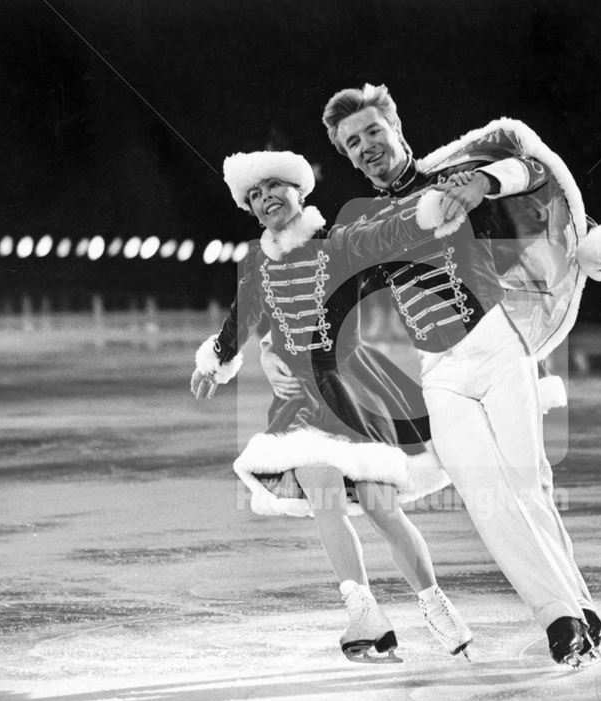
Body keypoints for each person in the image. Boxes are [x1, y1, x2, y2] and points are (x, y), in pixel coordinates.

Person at [280, 83, 601, 665]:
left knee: (524, 486)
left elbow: (531, 169)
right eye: (351, 142)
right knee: (489, 497)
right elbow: (366, 245)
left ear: (395, 128)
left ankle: (577, 610)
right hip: (440, 373)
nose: (365, 146)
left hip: (497, 346)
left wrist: (482, 183)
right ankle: (563, 617)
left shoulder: (455, 180)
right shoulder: (359, 217)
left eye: (372, 132)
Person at [190, 150, 472, 662]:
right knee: (323, 497)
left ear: (301, 191)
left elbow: (387, 237)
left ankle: (434, 603)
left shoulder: (338, 244)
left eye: (275, 186)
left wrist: (430, 209)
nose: (266, 198)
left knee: (381, 508)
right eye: (255, 194)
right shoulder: (256, 261)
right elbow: (242, 318)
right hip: (298, 401)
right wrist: (215, 361)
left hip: (354, 391)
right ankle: (363, 611)